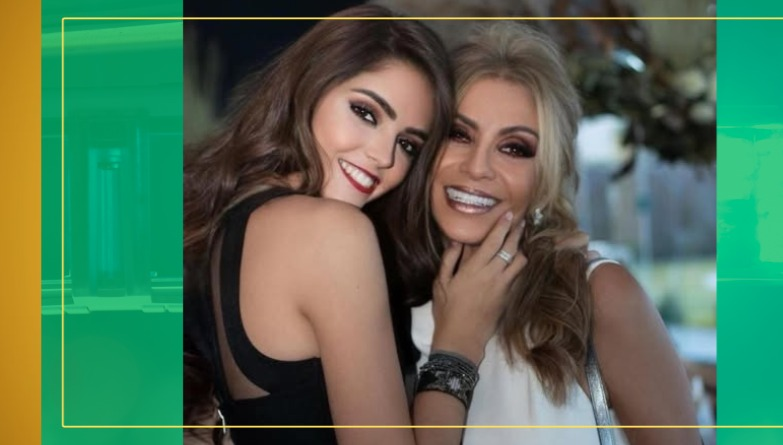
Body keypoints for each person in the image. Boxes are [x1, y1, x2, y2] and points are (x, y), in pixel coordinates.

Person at [183, 6, 526, 445]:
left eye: (407, 144)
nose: (384, 157)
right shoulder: (334, 234)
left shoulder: (230, 218)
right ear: (311, 86)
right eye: (365, 112)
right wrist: (457, 347)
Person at [390, 22, 701, 445]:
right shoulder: (380, 295)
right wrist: (455, 344)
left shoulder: (597, 295)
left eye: (514, 148)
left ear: (546, 177)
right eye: (458, 134)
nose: (477, 168)